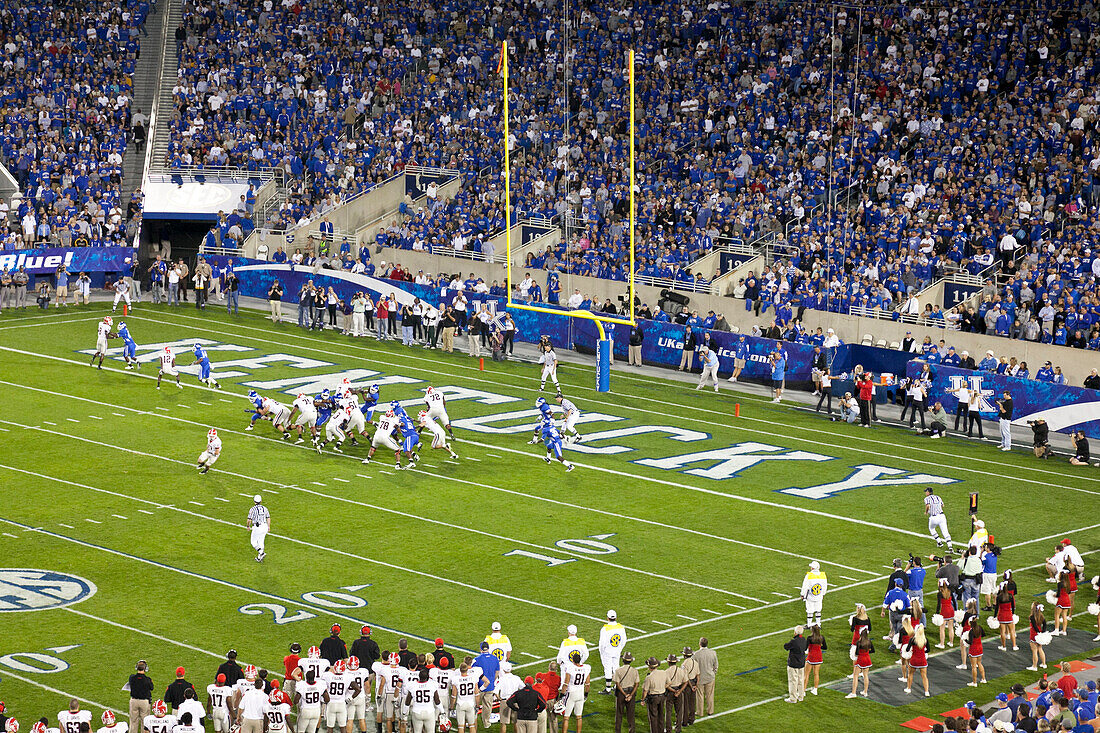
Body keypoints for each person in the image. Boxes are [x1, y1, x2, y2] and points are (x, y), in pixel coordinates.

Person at [558, 650, 590, 733]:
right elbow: (587, 684)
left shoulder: (571, 668)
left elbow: (566, 683)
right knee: (579, 716)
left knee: (566, 717)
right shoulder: (586, 668)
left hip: (571, 693)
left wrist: (561, 696)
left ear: (572, 660)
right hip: (580, 693)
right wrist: (586, 694)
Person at [597, 611, 626, 694]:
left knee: (607, 668)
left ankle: (608, 688)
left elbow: (602, 643)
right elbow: (624, 640)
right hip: (616, 650)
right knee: (616, 667)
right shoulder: (621, 627)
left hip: (607, 651)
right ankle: (617, 685)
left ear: (608, 618)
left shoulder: (605, 629)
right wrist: (619, 649)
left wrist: (601, 651)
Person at [611, 651, 637, 733]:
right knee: (631, 715)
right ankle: (632, 731)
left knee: (619, 714)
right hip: (631, 693)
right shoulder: (635, 671)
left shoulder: (618, 670)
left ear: (623, 660)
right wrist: (630, 695)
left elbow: (617, 684)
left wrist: (625, 694)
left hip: (621, 694)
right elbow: (637, 684)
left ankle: (618, 731)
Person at [784, 626, 808, 704]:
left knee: (793, 681)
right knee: (801, 680)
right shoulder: (804, 640)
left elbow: (786, 646)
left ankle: (793, 698)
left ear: (795, 632)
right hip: (801, 663)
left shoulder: (794, 641)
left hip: (793, 663)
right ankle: (801, 696)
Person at [904, 625, 930, 697]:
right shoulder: (925, 640)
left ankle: (909, 688)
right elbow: (928, 650)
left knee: (910, 674)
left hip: (914, 660)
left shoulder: (912, 640)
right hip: (922, 660)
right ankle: (926, 691)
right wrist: (922, 652)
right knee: (924, 676)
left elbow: (907, 650)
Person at [640, 657, 665, 733]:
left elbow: (645, 691)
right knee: (661, 715)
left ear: (649, 667)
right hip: (662, 696)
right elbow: (669, 683)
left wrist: (643, 700)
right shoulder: (663, 672)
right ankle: (661, 731)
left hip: (653, 698)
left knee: (653, 717)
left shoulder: (649, 677)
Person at [693, 638, 717, 718]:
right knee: (709, 695)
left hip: (700, 678)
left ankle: (700, 712)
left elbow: (693, 667)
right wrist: (713, 674)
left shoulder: (696, 655)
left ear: (699, 644)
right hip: (710, 677)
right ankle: (710, 711)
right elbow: (716, 665)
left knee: (699, 695)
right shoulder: (713, 653)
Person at [846, 630, 873, 698]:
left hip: (861, 659)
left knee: (855, 675)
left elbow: (857, 653)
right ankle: (865, 692)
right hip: (867, 659)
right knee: (865, 675)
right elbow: (872, 650)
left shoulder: (859, 642)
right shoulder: (869, 641)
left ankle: (853, 693)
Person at [800, 561, 827, 627]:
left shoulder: (809, 575)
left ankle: (809, 624)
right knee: (818, 609)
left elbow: (805, 586)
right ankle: (818, 624)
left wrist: (802, 594)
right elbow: (825, 586)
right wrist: (823, 594)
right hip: (819, 595)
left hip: (810, 595)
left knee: (809, 610)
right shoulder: (822, 575)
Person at [246, 494, 269, 563]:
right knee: (261, 542)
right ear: (261, 501)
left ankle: (261, 552)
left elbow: (249, 519)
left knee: (253, 542)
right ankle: (259, 558)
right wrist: (269, 526)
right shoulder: (265, 508)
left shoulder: (252, 509)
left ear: (254, 501)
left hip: (257, 526)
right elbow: (268, 517)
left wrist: (248, 526)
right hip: (265, 526)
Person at [803, 626, 826, 696]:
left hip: (811, 656)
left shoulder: (809, 638)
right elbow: (825, 647)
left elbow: (805, 648)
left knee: (806, 674)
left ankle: (803, 691)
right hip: (819, 656)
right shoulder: (822, 637)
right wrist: (819, 647)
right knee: (816, 673)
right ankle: (815, 690)